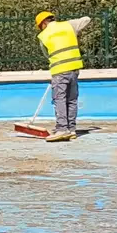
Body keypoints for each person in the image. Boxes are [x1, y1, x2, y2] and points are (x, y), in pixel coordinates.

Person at [34, 11, 91, 142]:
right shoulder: (69, 25)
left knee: (59, 99)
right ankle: (71, 129)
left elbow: (47, 55)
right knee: (72, 99)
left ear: (43, 23)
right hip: (74, 68)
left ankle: (61, 129)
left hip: (59, 70)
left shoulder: (43, 35)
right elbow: (86, 19)